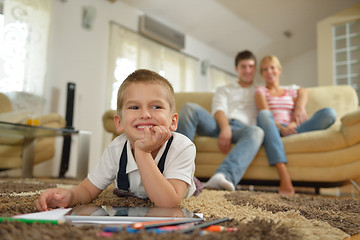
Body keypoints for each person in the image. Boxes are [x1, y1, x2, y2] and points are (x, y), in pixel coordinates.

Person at [36, 69, 196, 211]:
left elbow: (168, 204)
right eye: (134, 107)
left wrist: (142, 152)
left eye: (156, 107)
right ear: (119, 123)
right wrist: (70, 195)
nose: (145, 114)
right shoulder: (116, 149)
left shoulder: (182, 147)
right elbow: (87, 190)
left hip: (177, 178)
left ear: (173, 121)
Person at [176, 50, 264, 191]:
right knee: (189, 108)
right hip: (217, 125)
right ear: (236, 69)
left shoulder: (261, 91)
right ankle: (176, 167)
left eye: (251, 66)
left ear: (255, 68)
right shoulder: (224, 89)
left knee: (258, 132)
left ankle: (223, 176)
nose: (248, 70)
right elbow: (218, 109)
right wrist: (225, 127)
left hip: (243, 131)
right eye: (243, 66)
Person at [255, 55, 337, 195]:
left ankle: (286, 136)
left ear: (279, 70)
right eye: (265, 69)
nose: (269, 72)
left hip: (294, 128)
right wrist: (281, 128)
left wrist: (297, 114)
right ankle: (284, 176)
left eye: (272, 67)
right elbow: (265, 113)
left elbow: (303, 91)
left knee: (329, 113)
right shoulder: (261, 91)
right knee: (263, 115)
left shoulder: (290, 91)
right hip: (274, 129)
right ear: (262, 74)